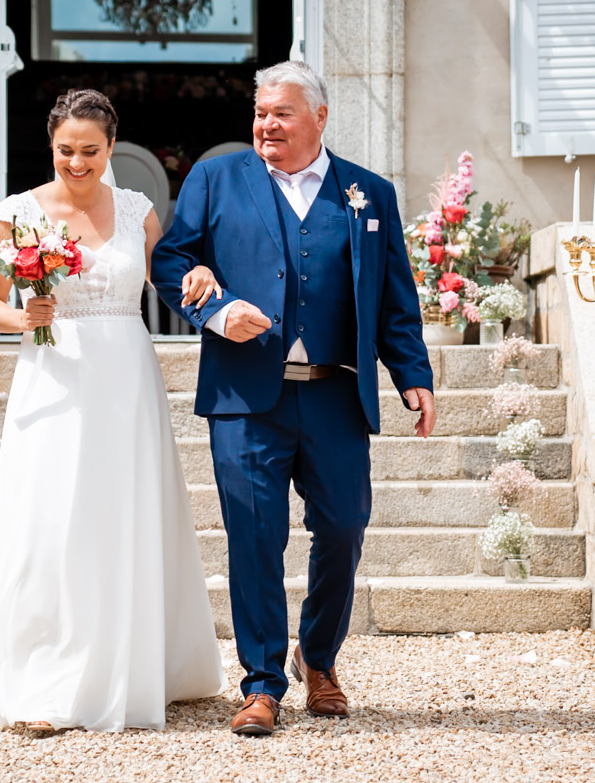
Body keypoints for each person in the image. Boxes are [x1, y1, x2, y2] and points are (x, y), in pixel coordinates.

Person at [0, 89, 227, 732]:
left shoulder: (140, 210)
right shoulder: (18, 212)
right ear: (51, 146)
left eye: (90, 151)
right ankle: (45, 666)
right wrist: (23, 319)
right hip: (54, 372)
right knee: (53, 515)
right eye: (66, 151)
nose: (77, 162)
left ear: (112, 148)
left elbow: (164, 282)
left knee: (122, 510)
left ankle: (133, 658)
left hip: (125, 376)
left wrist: (204, 281)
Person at [150, 61, 435, 736]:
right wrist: (215, 308)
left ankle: (320, 657)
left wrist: (412, 373)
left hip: (336, 392)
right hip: (246, 397)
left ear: (320, 118)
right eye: (261, 113)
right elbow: (170, 261)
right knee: (254, 537)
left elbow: (395, 295)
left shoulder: (369, 193)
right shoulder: (216, 179)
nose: (266, 124)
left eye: (281, 113)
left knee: (343, 529)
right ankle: (260, 683)